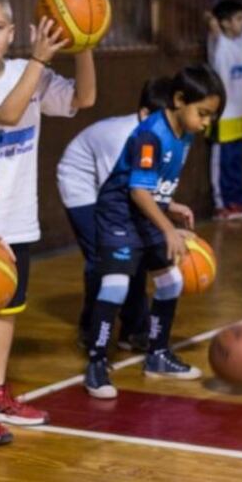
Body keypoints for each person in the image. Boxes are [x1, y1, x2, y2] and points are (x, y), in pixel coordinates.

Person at [0, 0, 95, 443]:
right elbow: (10, 114)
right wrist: (38, 61)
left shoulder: (24, 69)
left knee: (7, 309)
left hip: (19, 216)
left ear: (13, 31)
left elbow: (83, 99)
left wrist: (86, 42)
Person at [82, 64, 224, 399]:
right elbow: (137, 191)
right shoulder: (151, 135)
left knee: (171, 281)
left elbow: (151, 184)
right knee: (115, 285)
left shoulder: (184, 134)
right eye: (203, 113)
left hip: (146, 213)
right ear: (178, 100)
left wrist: (170, 205)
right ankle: (96, 363)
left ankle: (157, 355)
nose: (206, 123)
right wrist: (169, 230)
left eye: (211, 117)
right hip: (119, 215)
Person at [57, 77, 173, 349]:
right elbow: (124, 192)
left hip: (111, 188)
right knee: (106, 255)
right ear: (145, 114)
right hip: (81, 184)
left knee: (133, 250)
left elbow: (149, 185)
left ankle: (133, 330)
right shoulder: (123, 139)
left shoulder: (159, 138)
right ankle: (90, 329)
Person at [205, 0, 242, 220]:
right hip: (224, 114)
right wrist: (219, 19)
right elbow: (210, 19)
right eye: (238, 20)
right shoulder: (219, 43)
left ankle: (238, 201)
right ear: (225, 23)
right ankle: (222, 205)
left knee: (236, 160)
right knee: (222, 160)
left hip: (241, 112)